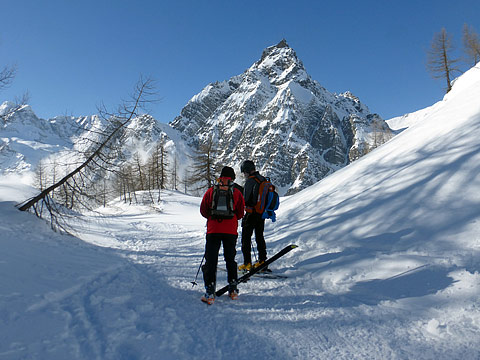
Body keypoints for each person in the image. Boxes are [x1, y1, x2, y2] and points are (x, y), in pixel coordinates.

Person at [199, 166, 245, 304]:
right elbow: (241, 213)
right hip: (230, 231)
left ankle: (210, 291)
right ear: (232, 178)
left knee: (211, 260)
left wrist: (213, 218)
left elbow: (203, 210)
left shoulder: (212, 190)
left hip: (213, 230)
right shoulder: (236, 192)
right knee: (230, 259)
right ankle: (233, 289)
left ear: (221, 176)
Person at [239, 160, 268, 272]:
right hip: (261, 214)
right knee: (259, 237)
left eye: (244, 172)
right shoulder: (262, 179)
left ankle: (247, 263)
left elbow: (245, 199)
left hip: (251, 214)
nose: (244, 175)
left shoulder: (250, 181)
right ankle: (262, 261)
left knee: (246, 239)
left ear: (246, 171)